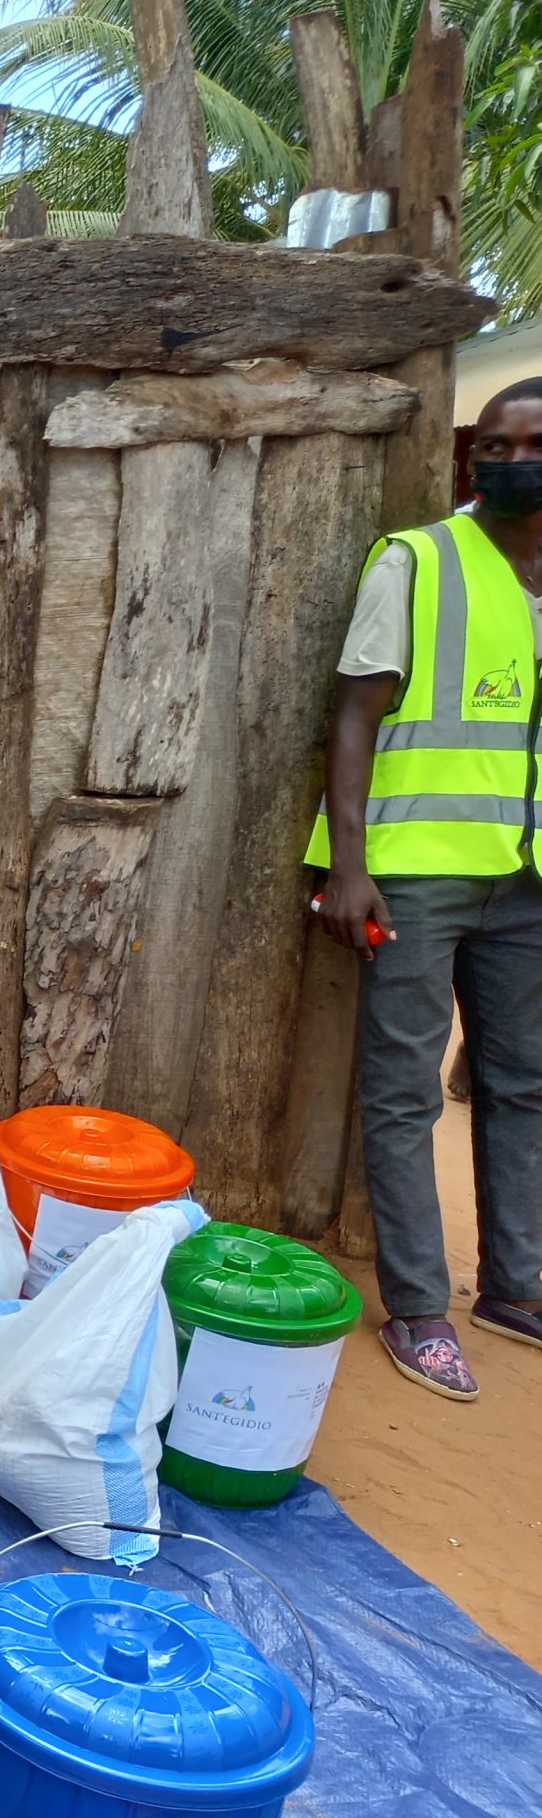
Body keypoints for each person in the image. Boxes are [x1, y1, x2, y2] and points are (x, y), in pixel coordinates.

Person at [311, 375, 542, 1401]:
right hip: (415, 873)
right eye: (491, 443)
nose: (506, 458)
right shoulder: (418, 561)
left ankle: (516, 1287)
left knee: (521, 1085)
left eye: (528, 444)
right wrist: (348, 867)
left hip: (527, 879)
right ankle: (417, 1309)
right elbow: (355, 714)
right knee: (403, 1089)